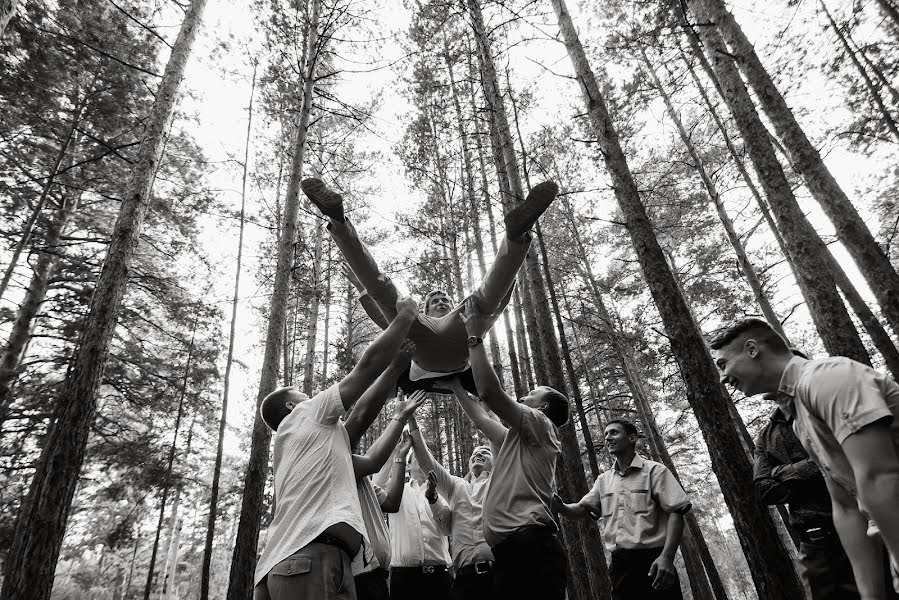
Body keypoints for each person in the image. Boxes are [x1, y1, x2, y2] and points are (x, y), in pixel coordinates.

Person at [301, 176, 559, 393]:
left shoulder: (465, 317)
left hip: (460, 337)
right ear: (426, 307)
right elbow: (384, 319)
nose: (441, 300)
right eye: (435, 300)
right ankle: (337, 219)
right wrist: (362, 289)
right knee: (390, 296)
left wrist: (504, 285)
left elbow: (497, 302)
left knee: (479, 303)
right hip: (422, 340)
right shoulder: (420, 319)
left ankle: (515, 236)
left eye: (445, 299)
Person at [711, 317, 899, 599]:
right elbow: (846, 506)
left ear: (752, 349)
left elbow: (880, 477)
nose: (722, 378)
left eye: (723, 364)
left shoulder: (827, 377)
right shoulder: (799, 420)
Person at [252, 296, 419, 600]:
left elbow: (360, 433)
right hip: (307, 559)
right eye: (303, 393)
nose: (310, 396)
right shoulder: (304, 414)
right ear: (292, 404)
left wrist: (395, 375)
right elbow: (365, 369)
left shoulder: (310, 446)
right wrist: (404, 318)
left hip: (313, 560)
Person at [457, 297, 569, 600]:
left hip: (532, 550)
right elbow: (483, 418)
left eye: (531, 393)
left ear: (543, 406)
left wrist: (474, 335)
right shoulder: (518, 439)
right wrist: (455, 384)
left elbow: (491, 394)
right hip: (513, 554)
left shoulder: (541, 425)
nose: (524, 394)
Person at [753, 350, 860, 600]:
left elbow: (840, 459)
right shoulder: (765, 436)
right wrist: (815, 471)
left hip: (864, 525)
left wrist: (783, 472)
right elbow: (764, 488)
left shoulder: (824, 406)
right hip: (815, 547)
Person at [555, 419, 690, 600]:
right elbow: (582, 508)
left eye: (614, 433)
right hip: (620, 567)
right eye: (606, 435)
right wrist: (560, 507)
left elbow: (676, 511)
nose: (607, 438)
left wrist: (667, 557)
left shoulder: (655, 471)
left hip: (654, 562)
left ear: (632, 438)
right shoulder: (603, 480)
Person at [408, 378, 499, 600]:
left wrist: (488, 408)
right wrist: (410, 418)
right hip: (464, 580)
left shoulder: (500, 478)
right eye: (474, 454)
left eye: (485, 453)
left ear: (495, 460)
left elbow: (498, 438)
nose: (478, 453)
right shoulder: (457, 485)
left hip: (501, 574)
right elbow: (426, 461)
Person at [386, 446, 453, 600]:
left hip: (439, 578)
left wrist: (433, 499)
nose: (424, 457)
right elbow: (377, 481)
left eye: (427, 455)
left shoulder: (443, 493)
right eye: (418, 455)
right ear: (408, 466)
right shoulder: (395, 491)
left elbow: (447, 529)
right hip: (404, 580)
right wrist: (397, 453)